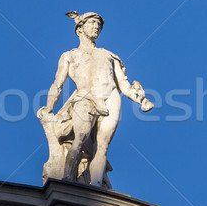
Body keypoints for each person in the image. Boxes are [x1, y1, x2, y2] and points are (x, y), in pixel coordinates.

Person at [37, 11, 153, 188]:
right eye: (91, 23)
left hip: (111, 97)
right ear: (80, 29)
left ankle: (97, 187)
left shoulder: (109, 55)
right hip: (85, 98)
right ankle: (67, 179)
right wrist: (49, 107)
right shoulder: (69, 55)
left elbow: (124, 85)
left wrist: (140, 100)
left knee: (102, 146)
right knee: (80, 138)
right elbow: (57, 85)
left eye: (98, 24)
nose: (96, 26)